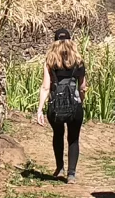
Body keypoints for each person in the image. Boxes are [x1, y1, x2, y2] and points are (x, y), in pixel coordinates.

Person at [34, 28, 87, 181]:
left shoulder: (49, 62)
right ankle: (71, 174)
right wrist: (80, 101)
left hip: (54, 105)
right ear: (71, 42)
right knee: (74, 138)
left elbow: (45, 86)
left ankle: (60, 168)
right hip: (75, 105)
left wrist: (40, 110)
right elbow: (82, 87)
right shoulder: (79, 62)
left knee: (58, 134)